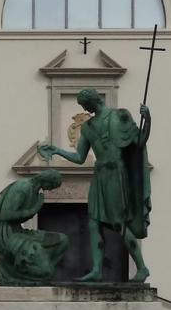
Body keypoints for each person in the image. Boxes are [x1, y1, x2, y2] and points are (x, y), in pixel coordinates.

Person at [39, 87, 151, 282]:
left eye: (84, 104)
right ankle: (97, 270)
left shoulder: (119, 116)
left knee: (119, 223)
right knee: (93, 223)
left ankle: (141, 268)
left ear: (93, 101)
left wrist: (147, 119)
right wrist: (57, 150)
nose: (84, 107)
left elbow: (139, 141)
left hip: (116, 174)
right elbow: (80, 157)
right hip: (99, 175)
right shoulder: (88, 127)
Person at [0, 165, 69, 285]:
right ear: (46, 180)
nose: (50, 189)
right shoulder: (23, 187)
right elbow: (5, 215)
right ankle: (26, 271)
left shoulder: (34, 190)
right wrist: (34, 209)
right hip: (8, 236)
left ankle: (39, 269)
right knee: (46, 271)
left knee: (63, 240)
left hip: (19, 232)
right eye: (51, 186)